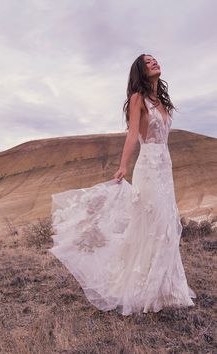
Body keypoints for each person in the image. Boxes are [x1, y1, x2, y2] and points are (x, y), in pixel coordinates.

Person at [49, 54, 196, 315]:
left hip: (165, 167)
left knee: (167, 225)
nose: (154, 62)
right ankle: (144, 288)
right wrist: (123, 166)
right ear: (140, 70)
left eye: (155, 59)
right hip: (148, 168)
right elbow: (131, 135)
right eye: (148, 61)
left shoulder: (161, 101)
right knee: (153, 224)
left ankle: (166, 288)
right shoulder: (137, 99)